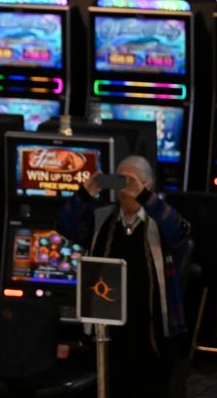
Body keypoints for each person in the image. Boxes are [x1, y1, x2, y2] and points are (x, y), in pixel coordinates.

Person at [58, 156, 192, 398]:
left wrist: (144, 197)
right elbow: (65, 224)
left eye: (131, 181)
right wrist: (88, 192)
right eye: (120, 179)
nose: (124, 186)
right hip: (109, 322)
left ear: (148, 185)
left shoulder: (159, 220)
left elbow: (180, 230)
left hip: (151, 327)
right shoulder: (102, 219)